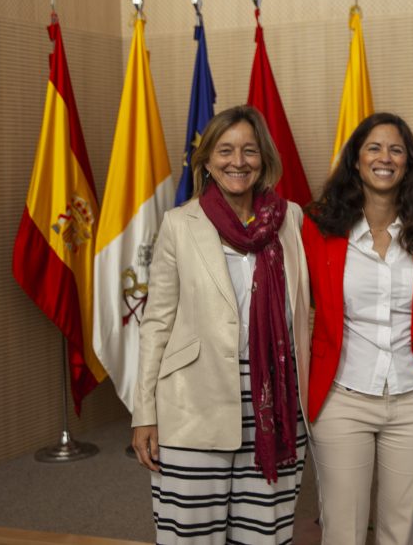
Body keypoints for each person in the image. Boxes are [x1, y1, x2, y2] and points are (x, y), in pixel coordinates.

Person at [131, 105, 311, 545]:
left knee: (263, 534)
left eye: (249, 150)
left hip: (276, 403)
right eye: (226, 150)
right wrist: (144, 413)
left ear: (264, 158)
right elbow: (156, 323)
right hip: (193, 402)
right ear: (207, 159)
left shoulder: (291, 219)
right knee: (191, 534)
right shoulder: (180, 224)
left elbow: (307, 310)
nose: (238, 161)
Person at [303, 113, 413, 545]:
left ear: (408, 162)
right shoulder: (317, 226)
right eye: (373, 148)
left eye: (396, 149)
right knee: (342, 530)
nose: (385, 157)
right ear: (355, 159)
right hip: (342, 396)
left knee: (400, 531)